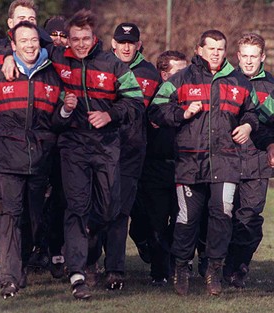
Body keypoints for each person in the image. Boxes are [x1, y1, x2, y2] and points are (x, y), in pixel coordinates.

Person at [4, 10, 143, 299]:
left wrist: (110, 115)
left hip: (106, 146)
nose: (80, 44)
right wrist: (8, 58)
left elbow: (136, 102)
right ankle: (77, 273)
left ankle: (87, 249)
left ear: (95, 38)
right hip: (72, 145)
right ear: (68, 39)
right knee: (76, 208)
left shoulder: (114, 65)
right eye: (75, 39)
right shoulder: (56, 58)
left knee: (107, 210)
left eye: (85, 38)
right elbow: (25, 50)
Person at [149, 29, 259, 296]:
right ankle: (182, 268)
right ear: (199, 50)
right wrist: (182, 112)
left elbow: (253, 112)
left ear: (225, 51)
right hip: (189, 163)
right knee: (187, 219)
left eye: (220, 49)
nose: (215, 53)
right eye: (210, 48)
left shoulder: (239, 82)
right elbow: (155, 108)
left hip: (227, 163)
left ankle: (214, 271)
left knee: (222, 217)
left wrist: (247, 125)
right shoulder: (180, 79)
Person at [0, 21, 65, 299]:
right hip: (7, 157)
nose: (29, 45)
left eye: (34, 40)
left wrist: (67, 111)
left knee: (32, 219)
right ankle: (9, 278)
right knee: (10, 214)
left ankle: (20, 262)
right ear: (13, 45)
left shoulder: (53, 76)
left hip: (40, 160)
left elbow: (58, 120)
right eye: (23, 41)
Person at [86, 22, 155, 290]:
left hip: (131, 153)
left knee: (120, 213)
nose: (126, 47)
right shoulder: (97, 67)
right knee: (97, 210)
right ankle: (89, 262)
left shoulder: (149, 73)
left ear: (138, 44)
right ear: (112, 44)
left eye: (131, 42)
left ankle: (115, 269)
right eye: (121, 42)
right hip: (100, 149)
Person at [223, 33, 274, 288]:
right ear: (237, 56)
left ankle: (237, 266)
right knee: (224, 216)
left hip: (257, 162)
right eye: (245, 56)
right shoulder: (224, 82)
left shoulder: (272, 87)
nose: (249, 61)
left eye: (254, 56)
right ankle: (217, 265)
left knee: (250, 218)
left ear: (263, 57)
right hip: (226, 162)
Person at [132, 50, 187, 286]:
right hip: (154, 168)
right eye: (179, 72)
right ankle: (159, 271)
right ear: (164, 74)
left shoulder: (189, 98)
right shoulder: (152, 102)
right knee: (153, 222)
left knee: (181, 221)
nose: (185, 77)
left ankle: (173, 267)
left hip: (184, 167)